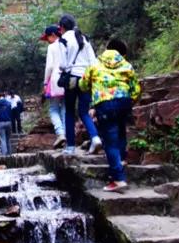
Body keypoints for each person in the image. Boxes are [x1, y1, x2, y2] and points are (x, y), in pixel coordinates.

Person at [79, 38, 141, 190]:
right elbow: (136, 89)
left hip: (105, 103)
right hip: (124, 101)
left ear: (106, 49)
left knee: (110, 141)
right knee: (121, 130)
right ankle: (122, 160)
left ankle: (118, 179)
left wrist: (94, 91)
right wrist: (129, 101)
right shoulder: (127, 65)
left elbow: (83, 84)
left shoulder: (94, 64)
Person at [57, 14, 102, 155]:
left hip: (71, 78)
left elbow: (63, 64)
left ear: (62, 27)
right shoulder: (84, 38)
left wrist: (63, 69)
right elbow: (93, 62)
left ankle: (70, 147)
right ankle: (95, 138)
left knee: (70, 111)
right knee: (84, 111)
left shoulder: (63, 40)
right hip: (85, 78)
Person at [40, 24, 66, 148]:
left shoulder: (52, 47)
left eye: (47, 38)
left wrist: (45, 82)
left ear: (53, 35)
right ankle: (67, 134)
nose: (47, 41)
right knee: (65, 108)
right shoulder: (67, 43)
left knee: (53, 108)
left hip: (55, 79)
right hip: (68, 78)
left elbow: (49, 66)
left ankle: (60, 133)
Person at [0, 91, 14, 155]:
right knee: (8, 139)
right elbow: (11, 113)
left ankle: (4, 155)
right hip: (9, 122)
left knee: (2, 139)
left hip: (1, 122)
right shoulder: (9, 103)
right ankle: (10, 154)